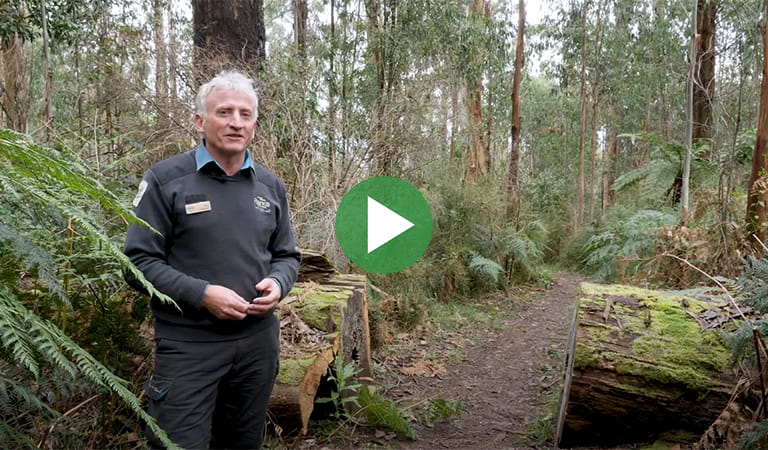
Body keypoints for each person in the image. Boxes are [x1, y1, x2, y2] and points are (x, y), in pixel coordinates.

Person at [124, 70, 300, 449]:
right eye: (224, 112)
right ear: (201, 121)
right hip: (189, 347)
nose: (236, 122)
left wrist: (278, 283)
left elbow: (286, 255)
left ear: (254, 125)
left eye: (245, 114)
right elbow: (138, 262)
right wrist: (202, 294)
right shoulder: (166, 180)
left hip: (257, 345)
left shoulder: (271, 187)